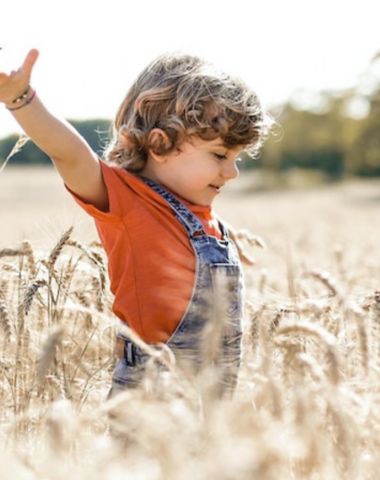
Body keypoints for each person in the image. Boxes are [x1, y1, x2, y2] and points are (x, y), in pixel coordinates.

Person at [0, 49, 274, 397]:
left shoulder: (203, 217)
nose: (232, 172)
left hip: (211, 398)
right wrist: (21, 99)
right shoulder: (127, 202)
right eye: (220, 155)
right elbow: (70, 154)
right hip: (150, 395)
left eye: (236, 158)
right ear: (160, 143)